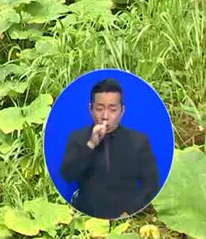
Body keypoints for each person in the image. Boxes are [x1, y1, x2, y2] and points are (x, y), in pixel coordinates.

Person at [60, 78, 160, 219]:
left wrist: (130, 212)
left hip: (127, 217)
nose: (105, 116)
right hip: (87, 217)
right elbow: (68, 175)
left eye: (113, 109)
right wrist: (91, 145)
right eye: (99, 109)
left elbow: (151, 184)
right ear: (90, 109)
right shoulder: (78, 138)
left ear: (122, 111)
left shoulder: (138, 141)